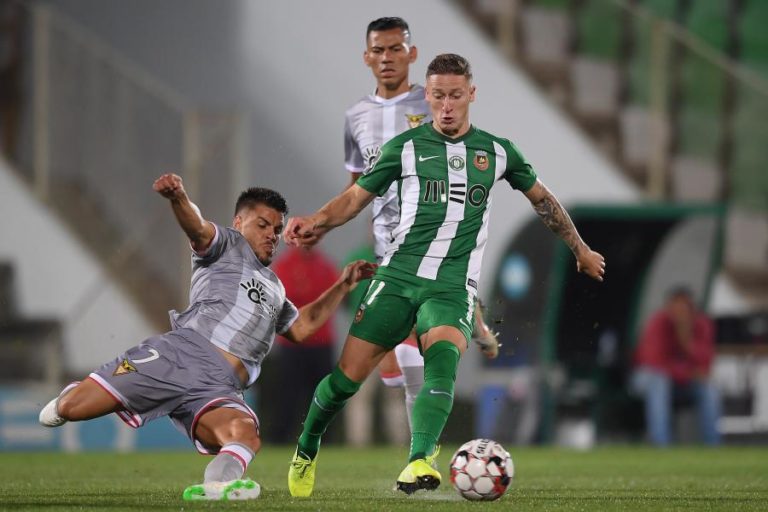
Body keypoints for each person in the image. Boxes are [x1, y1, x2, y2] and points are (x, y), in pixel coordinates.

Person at [285, 53, 605, 496]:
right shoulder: (406, 147)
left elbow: (542, 199)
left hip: (452, 287)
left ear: (471, 94)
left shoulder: (497, 151)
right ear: (428, 96)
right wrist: (315, 222)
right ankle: (306, 448)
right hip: (397, 278)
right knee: (344, 383)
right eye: (438, 96)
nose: (447, 106)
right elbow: (355, 198)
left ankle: (418, 461)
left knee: (441, 367)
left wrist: (580, 248)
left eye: (456, 96)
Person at [38, 173, 375, 501]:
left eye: (275, 229)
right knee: (69, 409)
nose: (271, 235)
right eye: (262, 225)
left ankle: (218, 487)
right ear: (239, 222)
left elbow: (301, 327)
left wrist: (343, 285)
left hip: (220, 386)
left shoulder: (275, 288)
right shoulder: (225, 245)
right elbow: (197, 228)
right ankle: (73, 395)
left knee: (245, 433)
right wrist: (178, 198)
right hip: (179, 356)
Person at [344, 16, 500, 439]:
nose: (387, 58)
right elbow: (357, 184)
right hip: (385, 246)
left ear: (412, 55)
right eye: (379, 50)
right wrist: (331, 221)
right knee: (393, 372)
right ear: (367, 57)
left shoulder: (435, 102)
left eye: (396, 49)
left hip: (430, 242)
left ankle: (420, 457)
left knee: (415, 358)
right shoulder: (356, 116)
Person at [630, 286, 721, 446]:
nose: (680, 312)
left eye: (684, 307)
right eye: (676, 307)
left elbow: (705, 363)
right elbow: (654, 362)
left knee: (709, 389)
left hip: (681, 382)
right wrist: (687, 372)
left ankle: (712, 447)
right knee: (659, 382)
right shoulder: (658, 322)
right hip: (648, 378)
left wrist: (687, 341)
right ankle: (662, 446)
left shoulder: (701, 324)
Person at [270, 244, 340, 444]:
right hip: (293, 342)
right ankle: (281, 438)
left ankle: (324, 439)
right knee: (288, 395)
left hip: (321, 341)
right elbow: (285, 299)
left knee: (322, 395)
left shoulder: (325, 265)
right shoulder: (285, 265)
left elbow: (332, 298)